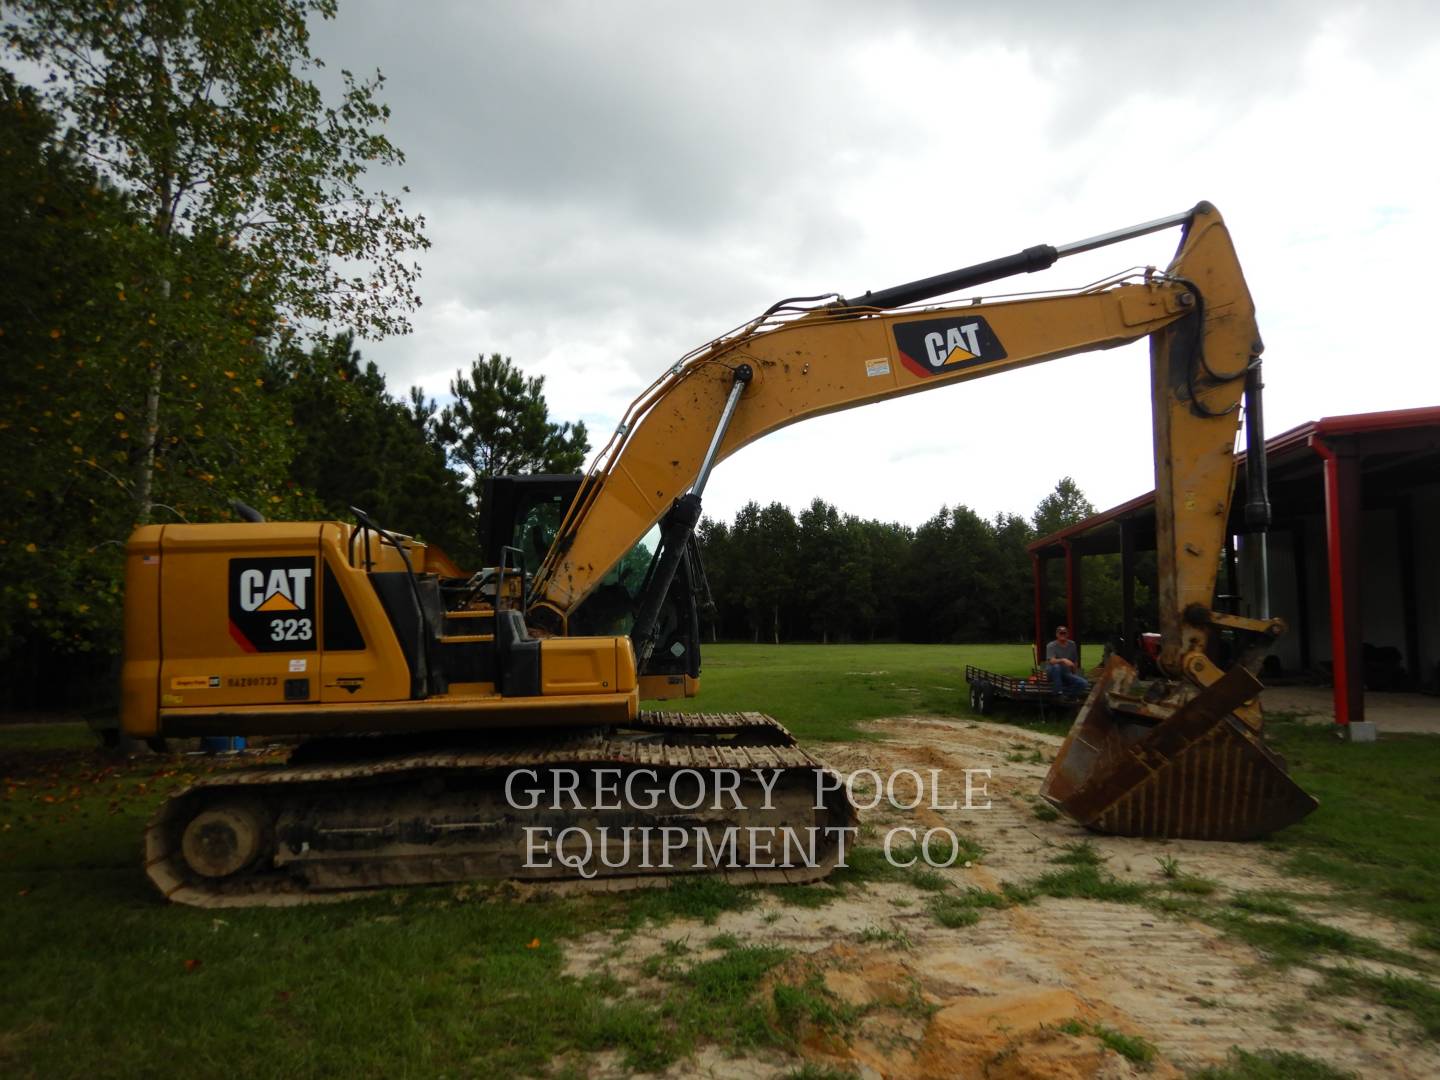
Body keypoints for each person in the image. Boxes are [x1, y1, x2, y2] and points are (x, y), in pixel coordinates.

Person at [1045, 625, 1089, 695]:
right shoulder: (1051, 645)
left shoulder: (1072, 644)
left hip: (1065, 673)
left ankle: (1063, 693)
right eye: (1060, 633)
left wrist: (1074, 674)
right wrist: (1063, 660)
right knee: (1057, 667)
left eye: (1064, 633)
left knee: (1084, 683)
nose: (1062, 635)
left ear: (1067, 634)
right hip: (1052, 673)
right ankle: (1059, 692)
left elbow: (1075, 661)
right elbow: (1051, 661)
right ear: (1057, 634)